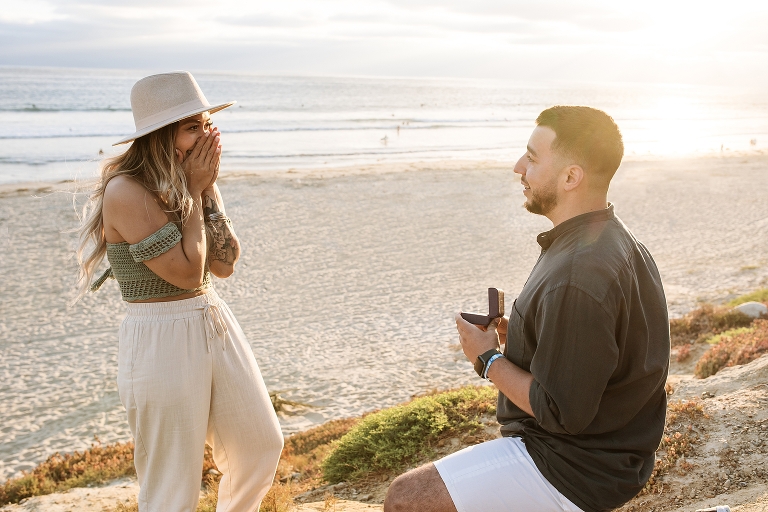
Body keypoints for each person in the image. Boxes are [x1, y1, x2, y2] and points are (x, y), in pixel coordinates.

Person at [383, 106, 670, 512]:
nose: (518, 167)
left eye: (532, 158)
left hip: (576, 467)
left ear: (571, 177)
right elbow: (600, 353)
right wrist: (519, 335)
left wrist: (487, 359)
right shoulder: (610, 237)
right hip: (610, 454)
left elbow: (560, 411)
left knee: (406, 497)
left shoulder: (578, 272)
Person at [76, 71, 283, 512]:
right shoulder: (126, 191)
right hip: (159, 335)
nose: (207, 136)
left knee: (260, 445)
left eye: (207, 124)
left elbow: (223, 265)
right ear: (162, 136)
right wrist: (193, 188)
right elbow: (187, 274)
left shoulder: (195, 181)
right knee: (172, 482)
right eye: (193, 127)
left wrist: (205, 191)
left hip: (212, 317)